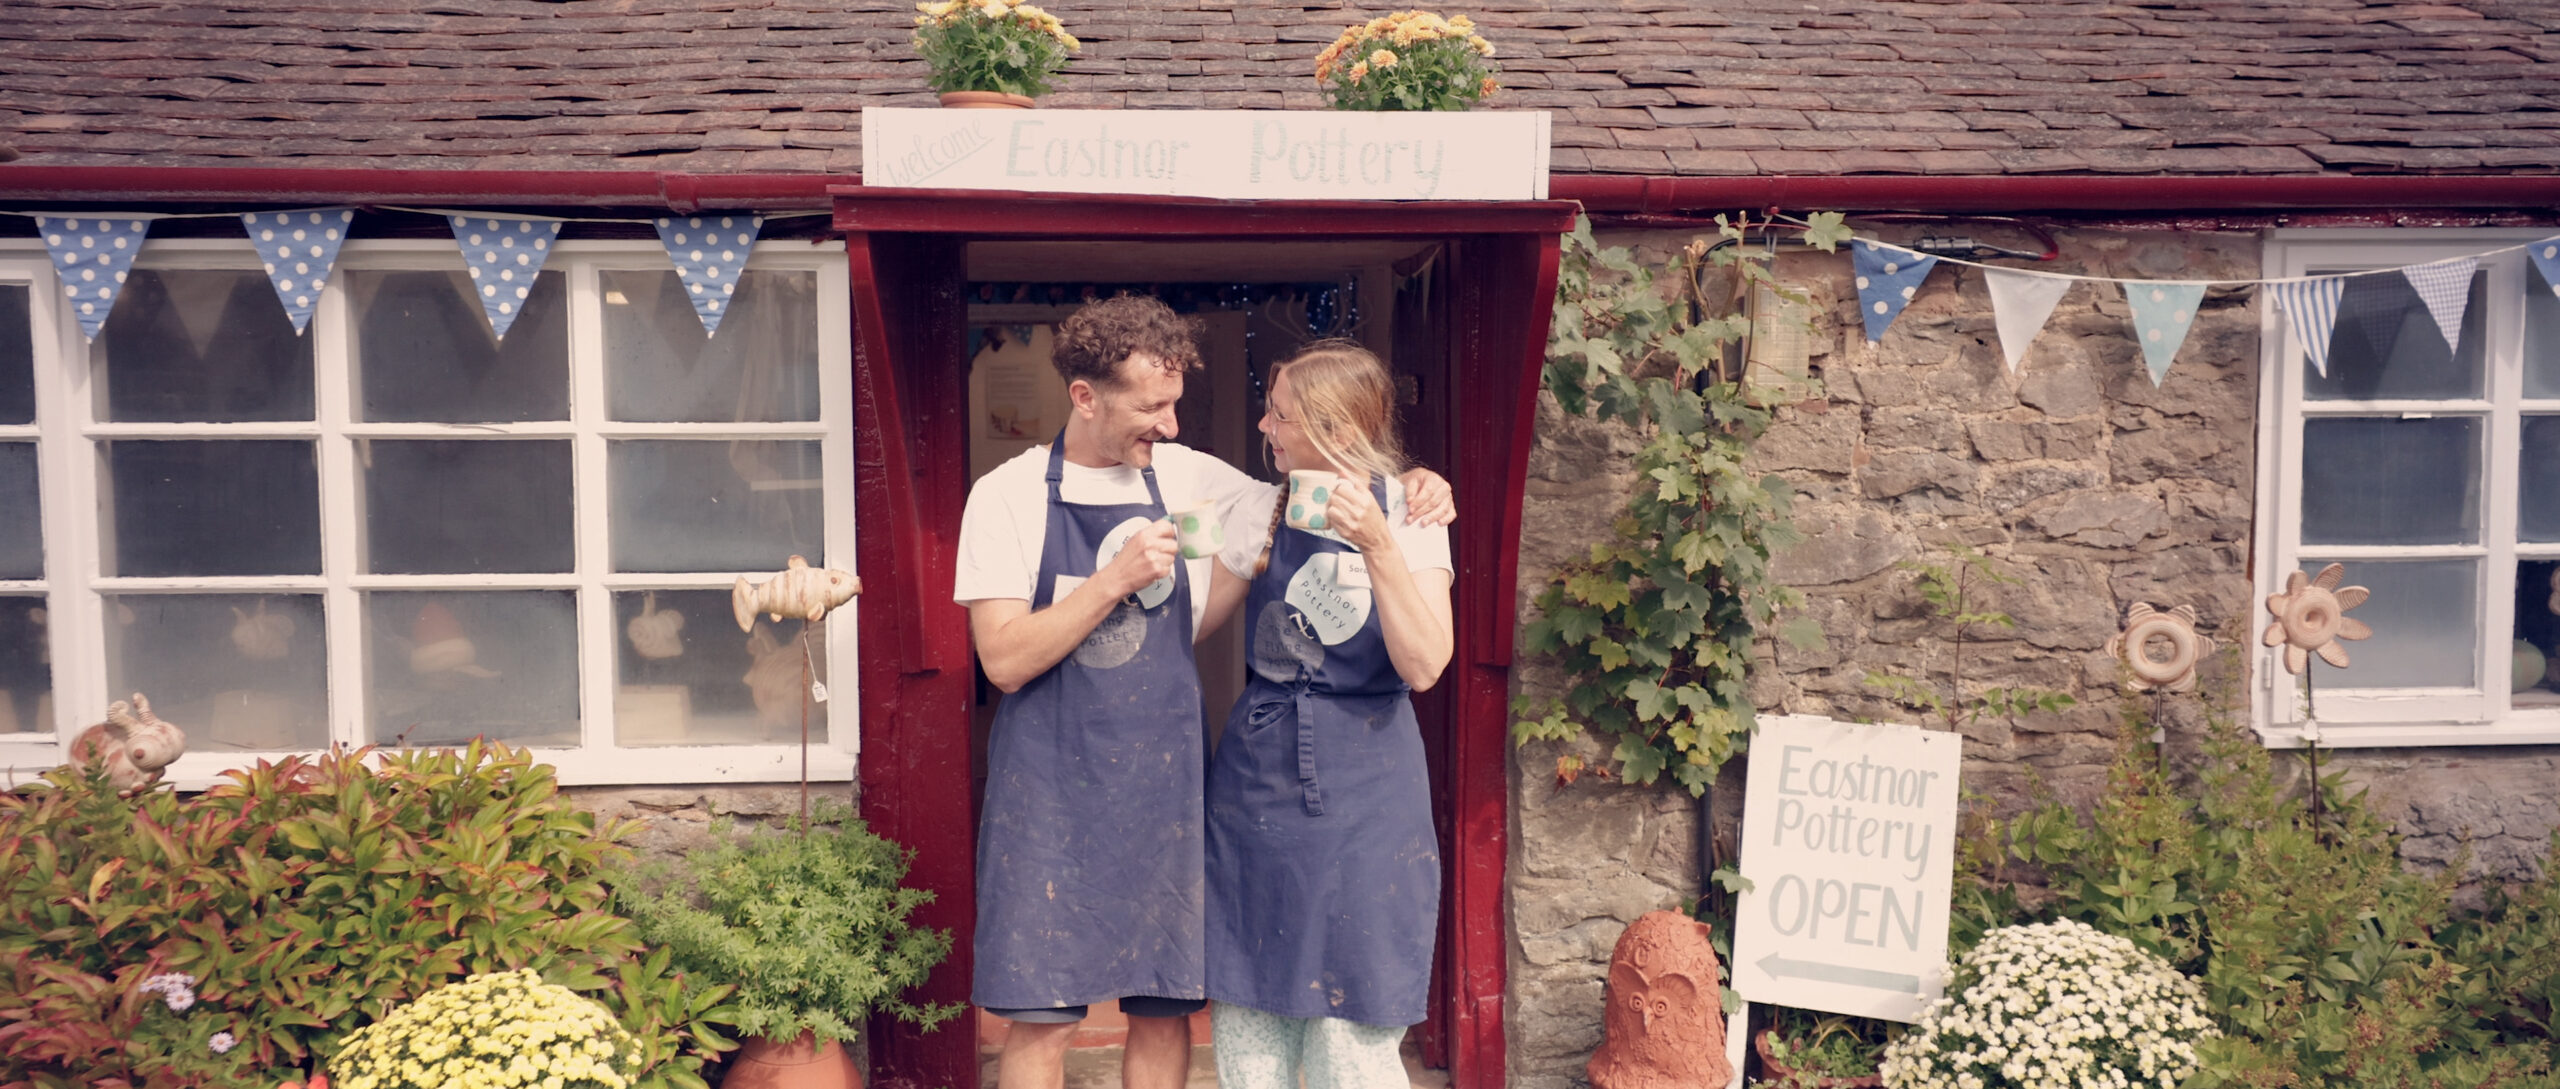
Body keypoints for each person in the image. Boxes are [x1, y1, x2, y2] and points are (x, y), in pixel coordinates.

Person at [953, 298, 1450, 1089]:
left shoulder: (1196, 481)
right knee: (1041, 1013)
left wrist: (1418, 486)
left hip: (1168, 788)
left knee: (1163, 1009)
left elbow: (1323, 479)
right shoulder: (1007, 496)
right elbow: (1004, 661)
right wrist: (1114, 580)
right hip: (1049, 788)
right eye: (1153, 407)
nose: (1174, 425)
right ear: (1086, 397)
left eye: (1176, 402)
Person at [1198, 341, 1454, 1089]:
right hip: (1260, 780)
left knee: (1354, 1013)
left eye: (1279, 414)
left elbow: (1424, 663)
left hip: (1371, 780)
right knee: (1249, 1004)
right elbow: (1193, 623)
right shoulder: (1259, 507)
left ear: (1338, 430)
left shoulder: (1412, 511)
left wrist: (1378, 541)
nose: (1264, 424)